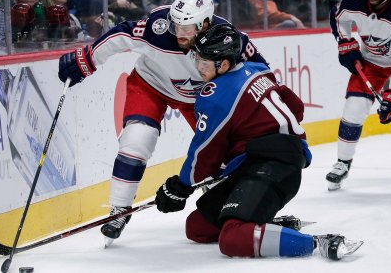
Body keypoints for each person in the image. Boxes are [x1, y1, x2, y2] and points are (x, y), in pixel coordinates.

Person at [57, 0, 268, 247]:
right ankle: (118, 210)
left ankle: (233, 202)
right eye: (176, 25)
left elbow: (260, 69)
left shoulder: (227, 37)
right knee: (136, 140)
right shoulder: (157, 27)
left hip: (201, 96)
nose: (179, 33)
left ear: (206, 23)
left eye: (187, 28)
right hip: (151, 85)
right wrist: (88, 59)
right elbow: (123, 33)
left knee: (220, 153)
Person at [154, 23, 363, 260]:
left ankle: (318, 243)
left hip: (275, 165)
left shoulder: (216, 94)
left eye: (203, 63)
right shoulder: (256, 68)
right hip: (261, 160)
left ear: (223, 65)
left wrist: (181, 186)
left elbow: (205, 151)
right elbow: (294, 105)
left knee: (232, 239)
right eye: (197, 59)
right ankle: (268, 224)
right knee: (198, 228)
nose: (198, 68)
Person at [326, 0, 391, 190]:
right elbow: (337, 16)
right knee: (353, 108)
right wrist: (346, 43)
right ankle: (343, 162)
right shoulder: (353, 3)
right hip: (372, 64)